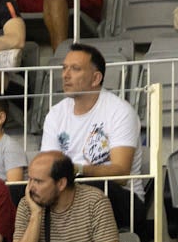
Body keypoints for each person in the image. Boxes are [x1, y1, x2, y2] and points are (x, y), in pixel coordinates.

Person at [40, 45, 146, 228]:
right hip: (68, 189)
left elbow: (120, 174)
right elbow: (47, 165)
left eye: (75, 69)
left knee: (81, 187)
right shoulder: (55, 114)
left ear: (96, 78)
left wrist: (78, 170)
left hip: (122, 198)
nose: (65, 75)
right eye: (64, 68)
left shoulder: (120, 111)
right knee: (17, 191)